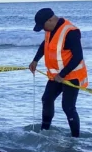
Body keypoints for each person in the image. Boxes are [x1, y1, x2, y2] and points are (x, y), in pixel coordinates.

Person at [28, 8, 88, 138]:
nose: (43, 30)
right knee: (46, 99)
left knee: (68, 107)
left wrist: (62, 74)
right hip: (56, 76)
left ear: (50, 20)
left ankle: (75, 138)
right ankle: (44, 131)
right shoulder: (50, 29)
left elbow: (78, 56)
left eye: (43, 26)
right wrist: (35, 60)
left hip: (71, 75)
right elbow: (45, 44)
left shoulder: (70, 32)